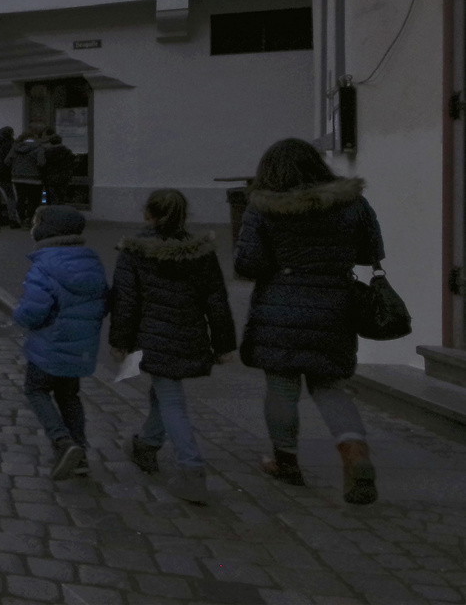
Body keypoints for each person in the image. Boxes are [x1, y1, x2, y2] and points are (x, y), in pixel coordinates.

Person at [235, 138, 384, 505]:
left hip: (280, 304)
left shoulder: (262, 208)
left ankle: (285, 462)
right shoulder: (352, 203)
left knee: (283, 386)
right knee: (330, 384)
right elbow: (371, 251)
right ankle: (355, 453)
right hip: (335, 303)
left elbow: (248, 264)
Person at [108, 189, 237, 503]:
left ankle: (191, 468)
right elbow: (216, 301)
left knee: (171, 398)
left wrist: (120, 341)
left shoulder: (135, 250)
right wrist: (223, 344)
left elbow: (125, 301)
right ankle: (147, 445)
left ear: (147, 215)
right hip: (189, 335)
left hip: (151, 336)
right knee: (163, 390)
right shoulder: (200, 251)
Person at [11, 205, 107, 481]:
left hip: (48, 347)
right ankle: (80, 455)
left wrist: (19, 316)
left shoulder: (45, 265)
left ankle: (62, 442)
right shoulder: (91, 261)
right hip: (80, 348)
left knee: (36, 390)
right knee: (69, 396)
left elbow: (34, 310)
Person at [10, 130, 47, 226]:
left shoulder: (16, 147)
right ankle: (29, 218)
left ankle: (21, 219)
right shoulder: (39, 148)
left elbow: (7, 161)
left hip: (17, 178)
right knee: (33, 199)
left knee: (21, 199)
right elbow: (41, 163)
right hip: (34, 178)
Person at [41, 133, 75, 208]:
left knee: (52, 198)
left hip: (51, 178)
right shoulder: (67, 152)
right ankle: (61, 213)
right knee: (61, 197)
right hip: (64, 177)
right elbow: (71, 164)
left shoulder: (47, 152)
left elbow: (43, 165)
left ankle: (53, 213)